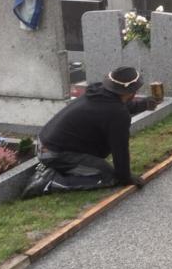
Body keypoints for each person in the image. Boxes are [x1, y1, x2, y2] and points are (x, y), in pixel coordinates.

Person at [22, 66, 157, 198]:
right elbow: (119, 148)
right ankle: (49, 182)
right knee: (108, 176)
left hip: (47, 144)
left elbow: (119, 105)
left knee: (102, 166)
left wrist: (143, 105)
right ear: (132, 92)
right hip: (54, 153)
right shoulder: (117, 113)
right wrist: (125, 177)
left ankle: (54, 169)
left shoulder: (99, 92)